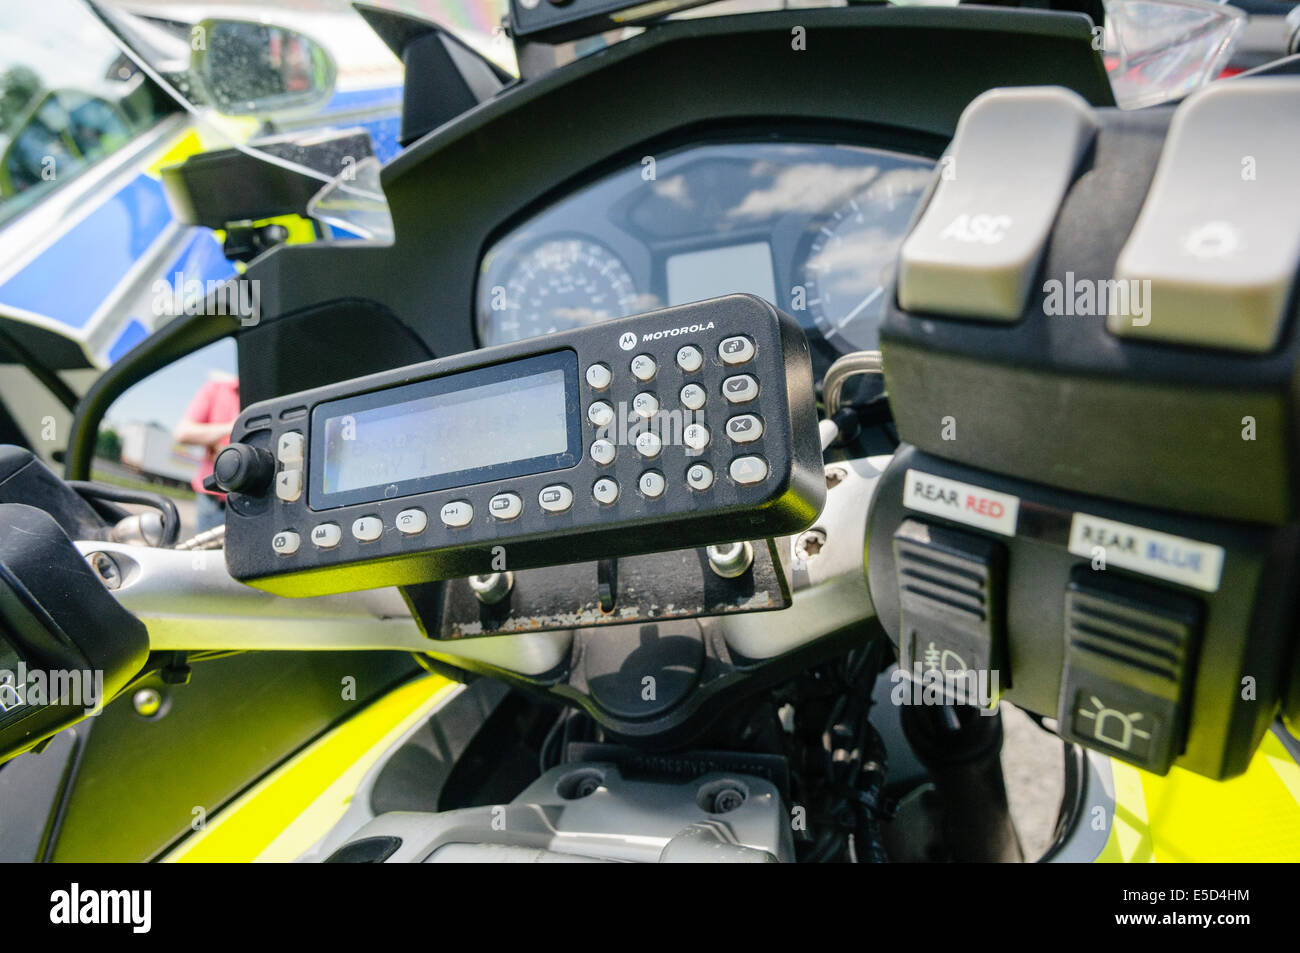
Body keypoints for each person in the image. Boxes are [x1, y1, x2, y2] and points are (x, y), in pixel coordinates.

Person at [174, 371, 240, 533]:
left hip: (257, 500)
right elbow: (183, 432)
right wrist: (232, 427)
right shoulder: (217, 389)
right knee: (204, 556)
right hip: (214, 500)